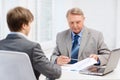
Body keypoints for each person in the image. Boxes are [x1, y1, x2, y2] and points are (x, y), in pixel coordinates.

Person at [0, 6, 61, 80]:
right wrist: (57, 64)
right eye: (29, 24)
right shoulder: (32, 47)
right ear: (24, 26)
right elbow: (54, 73)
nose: (30, 27)